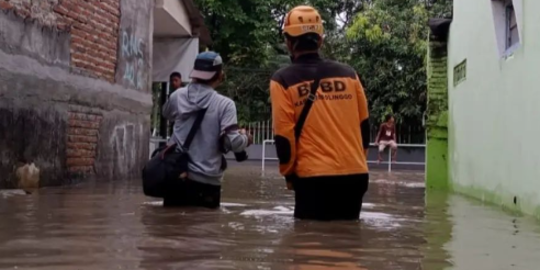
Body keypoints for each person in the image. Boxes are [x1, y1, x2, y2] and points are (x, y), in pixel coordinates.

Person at [269, 5, 371, 221]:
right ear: (320, 40)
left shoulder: (282, 80)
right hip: (355, 176)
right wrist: (355, 163)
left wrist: (288, 173)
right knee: (349, 247)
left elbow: (283, 136)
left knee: (308, 247)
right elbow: (364, 127)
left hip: (313, 178)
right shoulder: (349, 75)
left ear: (288, 42)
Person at [162, 51, 252, 209]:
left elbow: (166, 114)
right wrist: (247, 138)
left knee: (172, 229)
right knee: (205, 230)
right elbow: (235, 143)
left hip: (175, 177)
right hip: (206, 183)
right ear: (220, 76)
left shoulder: (177, 96)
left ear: (194, 73)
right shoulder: (225, 104)